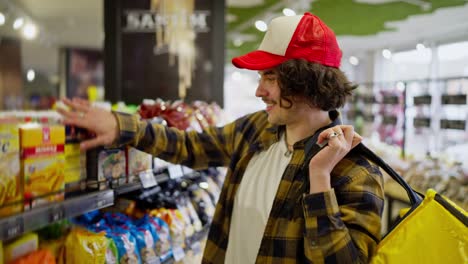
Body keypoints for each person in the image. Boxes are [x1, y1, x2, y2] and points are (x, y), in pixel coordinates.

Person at [59, 12, 384, 263]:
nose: (259, 91)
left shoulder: (356, 171)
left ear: (306, 81)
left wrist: (319, 178)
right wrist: (122, 127)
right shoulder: (257, 129)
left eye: (269, 77)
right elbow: (192, 147)